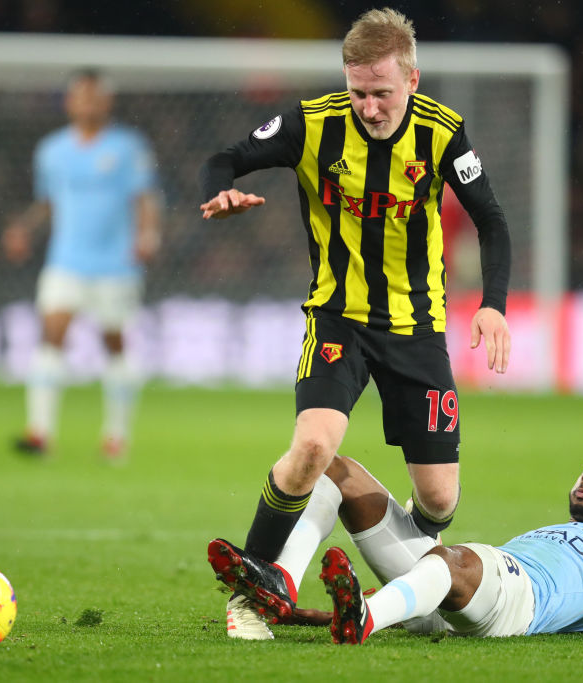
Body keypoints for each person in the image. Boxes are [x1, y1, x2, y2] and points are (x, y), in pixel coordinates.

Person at [201, 8, 512, 635]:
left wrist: (493, 303)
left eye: (382, 93)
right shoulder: (311, 125)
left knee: (439, 500)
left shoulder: (443, 133)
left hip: (415, 327)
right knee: (313, 445)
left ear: (413, 82)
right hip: (337, 319)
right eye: (358, 92)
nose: (369, 107)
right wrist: (222, 191)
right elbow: (224, 157)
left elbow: (493, 220)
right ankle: (251, 588)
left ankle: (409, 558)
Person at [215, 446, 583, 645]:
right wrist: (318, 615)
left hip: (521, 605)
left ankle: (363, 623)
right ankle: (279, 587)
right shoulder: (554, 533)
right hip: (459, 595)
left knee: (457, 559)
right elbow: (440, 591)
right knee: (336, 468)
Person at [2, 67, 162, 460]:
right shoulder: (52, 150)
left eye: (94, 95)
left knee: (114, 343)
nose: (87, 102)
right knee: (51, 333)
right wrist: (24, 228)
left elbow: (145, 198)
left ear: (107, 102)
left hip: (115, 264)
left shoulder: (128, 147)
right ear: (69, 101)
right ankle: (40, 433)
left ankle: (116, 437)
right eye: (80, 95)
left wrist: (148, 236)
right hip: (66, 261)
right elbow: (49, 201)